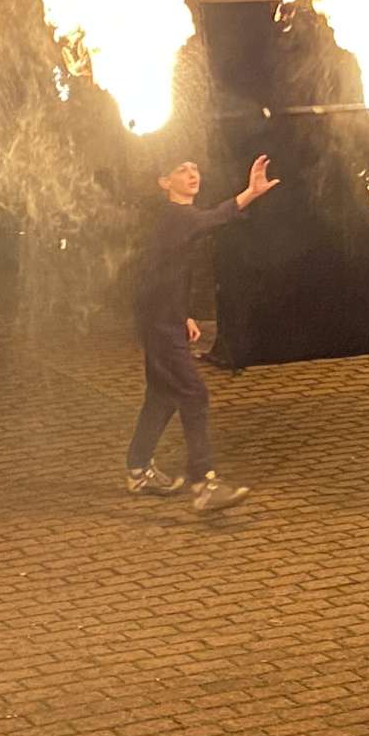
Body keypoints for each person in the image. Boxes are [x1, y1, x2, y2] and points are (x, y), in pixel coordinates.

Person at [125, 153, 281, 513]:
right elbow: (211, 220)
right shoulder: (176, 217)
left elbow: (161, 273)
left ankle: (138, 468)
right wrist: (250, 193)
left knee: (162, 395)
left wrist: (184, 314)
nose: (192, 174)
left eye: (194, 168)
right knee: (193, 394)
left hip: (162, 319)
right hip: (160, 324)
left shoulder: (174, 219)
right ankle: (204, 483)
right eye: (181, 170)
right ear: (164, 182)